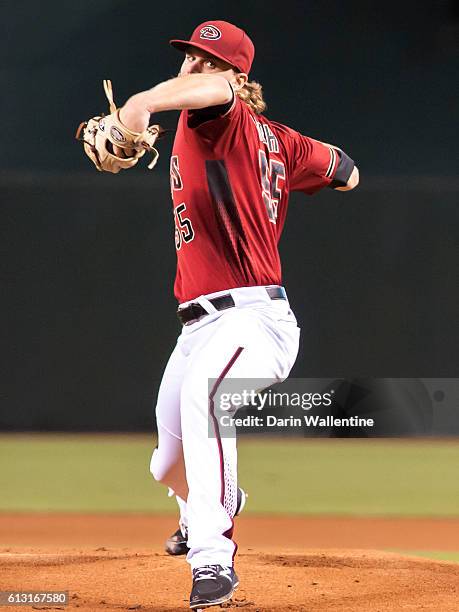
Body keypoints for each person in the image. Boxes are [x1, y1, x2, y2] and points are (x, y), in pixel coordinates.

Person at [118, 20, 359, 610]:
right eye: (189, 57)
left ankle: (213, 559)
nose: (192, 68)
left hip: (256, 320)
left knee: (209, 394)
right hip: (197, 326)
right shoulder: (276, 139)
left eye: (206, 61)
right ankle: (216, 501)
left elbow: (216, 95)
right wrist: (283, 161)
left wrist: (141, 103)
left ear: (234, 76)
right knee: (165, 466)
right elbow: (348, 171)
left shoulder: (220, 115)